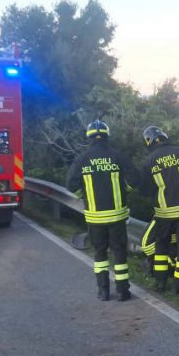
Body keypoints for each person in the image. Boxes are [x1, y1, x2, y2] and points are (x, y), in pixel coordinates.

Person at [66, 120, 139, 301]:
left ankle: (103, 291)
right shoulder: (117, 156)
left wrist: (85, 196)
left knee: (99, 254)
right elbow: (135, 179)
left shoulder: (82, 159)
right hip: (117, 216)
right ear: (107, 135)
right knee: (119, 252)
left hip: (95, 217)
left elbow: (70, 185)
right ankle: (123, 291)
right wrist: (124, 191)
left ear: (89, 136)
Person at [139, 126, 179, 293]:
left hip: (164, 214)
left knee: (161, 247)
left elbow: (144, 191)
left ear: (148, 142)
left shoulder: (148, 162)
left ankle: (160, 283)